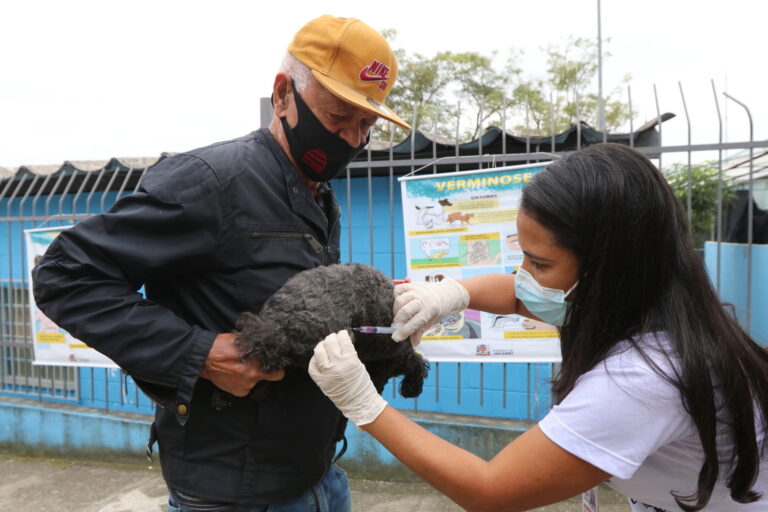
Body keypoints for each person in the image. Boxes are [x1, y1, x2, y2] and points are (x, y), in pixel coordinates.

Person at [32, 15, 410, 512]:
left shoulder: (318, 197)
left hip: (320, 477)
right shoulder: (211, 182)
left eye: (366, 124)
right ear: (282, 96)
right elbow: (63, 276)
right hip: (231, 496)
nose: (351, 138)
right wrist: (199, 352)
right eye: (340, 114)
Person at [309, 143, 768, 511]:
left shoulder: (645, 378)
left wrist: (363, 404)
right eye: (524, 256)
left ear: (609, 270)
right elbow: (518, 292)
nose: (523, 274)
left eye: (540, 262)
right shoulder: (657, 308)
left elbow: (491, 491)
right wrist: (452, 294)